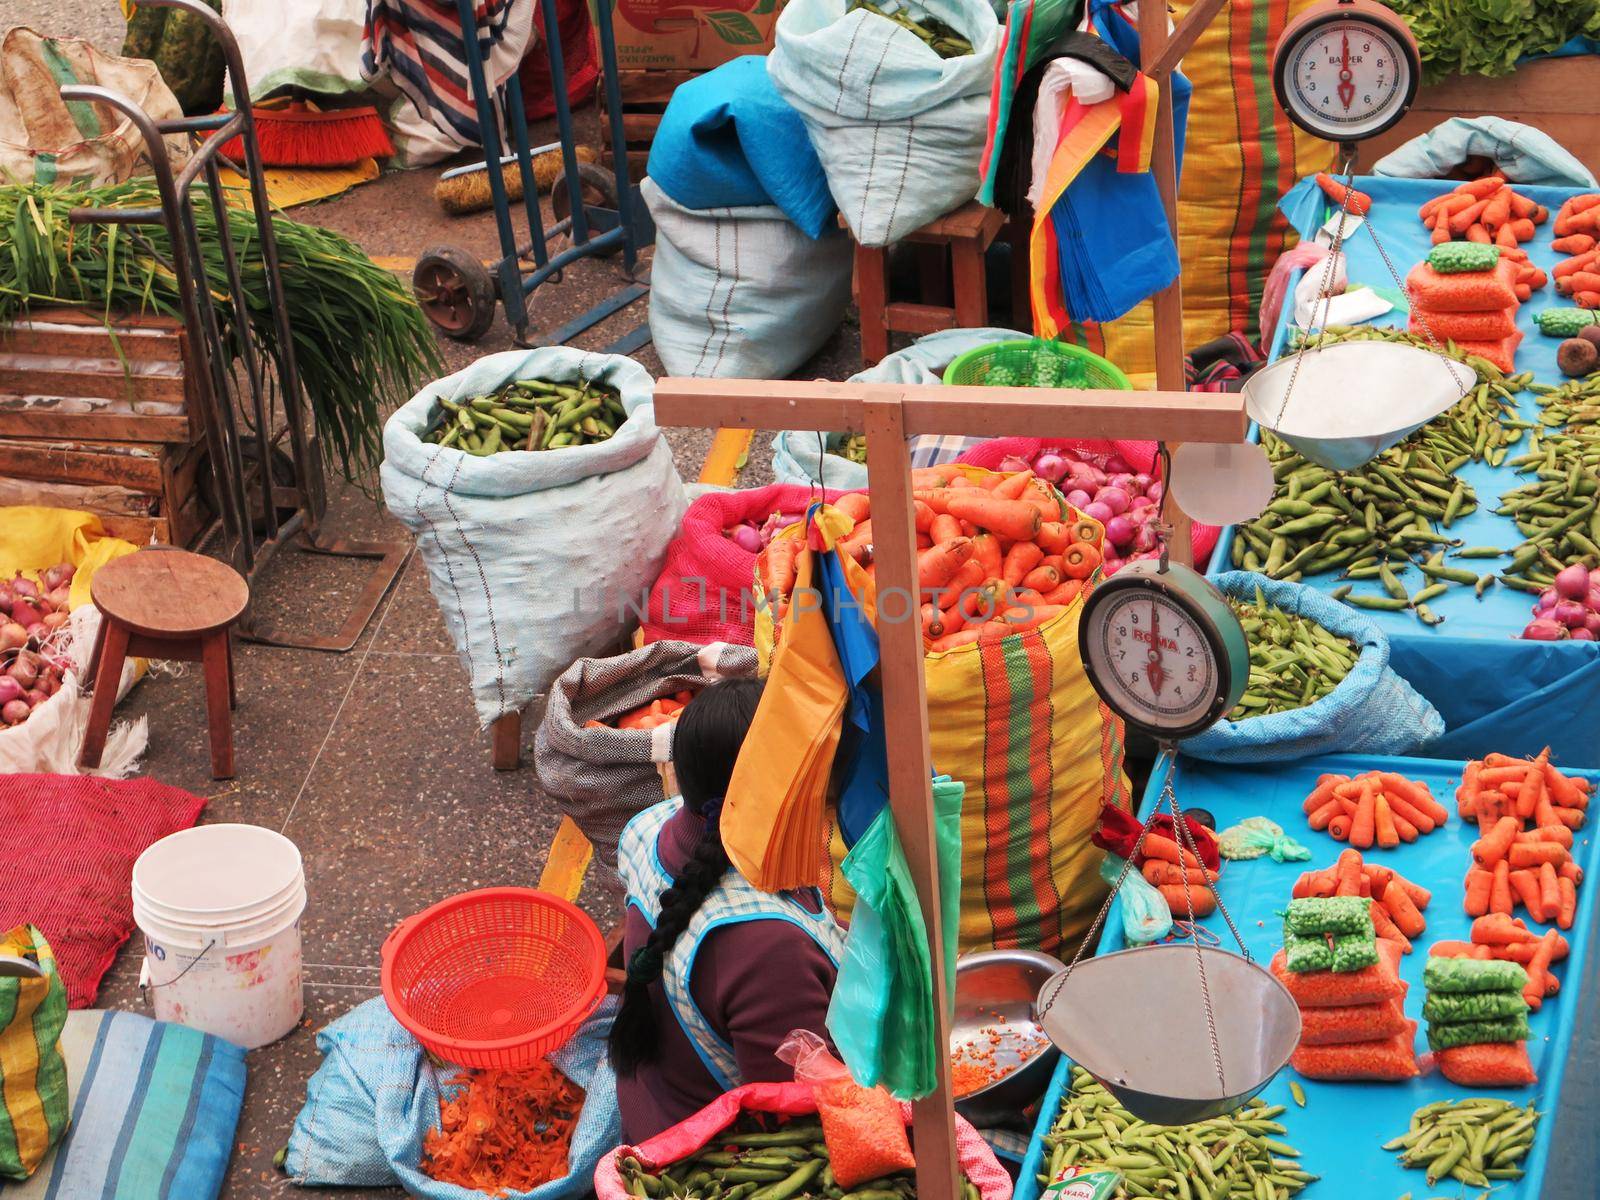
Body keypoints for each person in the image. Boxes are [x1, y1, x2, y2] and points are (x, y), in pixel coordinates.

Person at [611, 677, 844, 1142]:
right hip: (703, 1154)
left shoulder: (647, 826)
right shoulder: (770, 950)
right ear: (779, 799)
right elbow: (797, 1122)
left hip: (649, 1094)